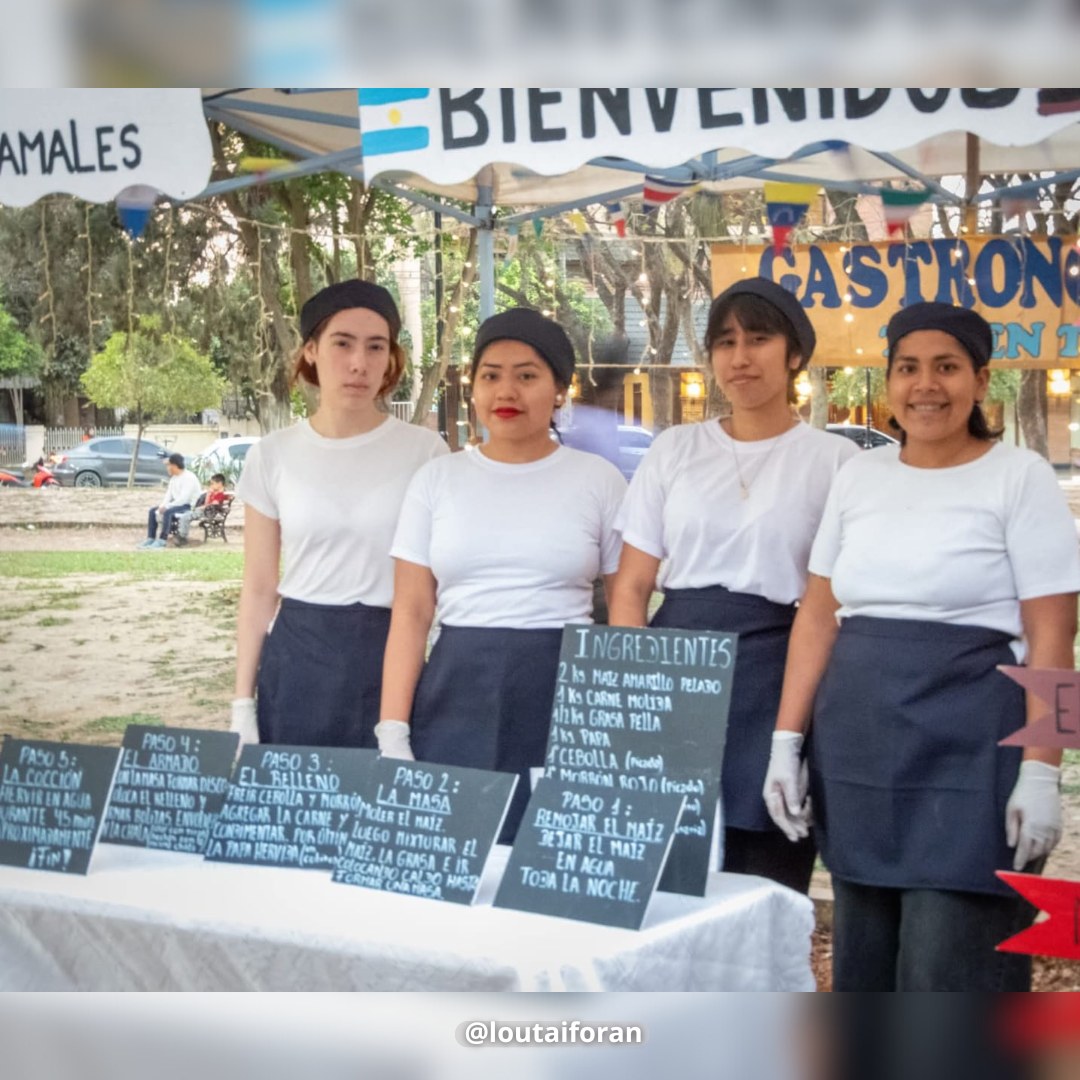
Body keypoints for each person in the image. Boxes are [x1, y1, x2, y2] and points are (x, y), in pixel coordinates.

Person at [766, 302, 1080, 990]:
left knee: (951, 963)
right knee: (865, 961)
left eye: (946, 367)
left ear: (980, 380)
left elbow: (1057, 633)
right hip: (860, 750)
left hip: (973, 751)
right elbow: (819, 615)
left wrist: (1043, 770)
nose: (925, 385)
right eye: (908, 368)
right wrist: (787, 742)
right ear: (889, 382)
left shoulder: (1018, 476)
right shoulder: (859, 476)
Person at [608, 277, 859, 893]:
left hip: (778, 670)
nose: (740, 357)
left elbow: (828, 606)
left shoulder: (835, 462)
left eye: (759, 339)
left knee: (764, 871)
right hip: (672, 666)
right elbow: (632, 586)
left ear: (794, 353)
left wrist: (788, 735)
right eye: (724, 342)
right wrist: (636, 695)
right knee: (661, 873)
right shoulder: (675, 448)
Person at [378, 308, 627, 841]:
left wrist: (626, 719)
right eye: (490, 375)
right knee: (453, 853)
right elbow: (412, 611)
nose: (505, 391)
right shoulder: (436, 480)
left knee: (552, 857)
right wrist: (394, 731)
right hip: (455, 687)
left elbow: (626, 601)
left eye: (527, 375)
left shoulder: (599, 480)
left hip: (566, 689)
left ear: (561, 389)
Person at [229, 280, 448, 748]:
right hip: (298, 657)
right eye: (342, 343)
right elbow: (259, 587)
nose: (358, 363)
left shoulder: (426, 453)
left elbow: (432, 587)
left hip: (389, 654)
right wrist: (242, 703)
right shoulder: (272, 455)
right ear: (310, 350)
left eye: (376, 347)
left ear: (391, 358)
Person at [137, 452, 202, 549]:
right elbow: (168, 495)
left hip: (188, 505)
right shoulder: (174, 479)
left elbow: (184, 499)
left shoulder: (189, 477)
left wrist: (167, 507)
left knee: (168, 512)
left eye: (169, 465)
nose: (167, 468)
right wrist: (162, 506)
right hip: (176, 505)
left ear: (175, 465)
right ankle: (150, 538)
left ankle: (162, 540)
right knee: (152, 511)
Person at [174, 473, 230, 545]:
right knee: (185, 515)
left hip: (207, 513)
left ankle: (182, 537)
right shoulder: (215, 493)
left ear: (219, 483)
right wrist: (208, 494)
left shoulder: (220, 494)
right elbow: (208, 503)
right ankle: (181, 536)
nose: (211, 486)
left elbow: (214, 504)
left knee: (185, 517)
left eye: (212, 484)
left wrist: (204, 506)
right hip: (206, 511)